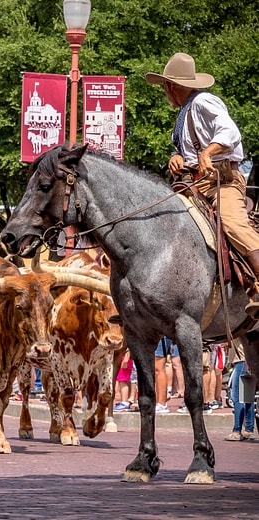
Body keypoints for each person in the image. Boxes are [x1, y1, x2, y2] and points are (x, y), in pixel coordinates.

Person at [146, 53, 259, 317]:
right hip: (194, 184)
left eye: (165, 87)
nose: (165, 93)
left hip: (222, 181)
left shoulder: (203, 101)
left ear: (171, 86)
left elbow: (229, 132)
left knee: (232, 222)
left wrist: (208, 153)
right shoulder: (184, 114)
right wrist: (175, 158)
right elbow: (187, 154)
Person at [225, 336, 256, 441]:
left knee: (237, 397)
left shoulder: (238, 326)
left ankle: (236, 431)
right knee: (247, 397)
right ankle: (249, 429)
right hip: (248, 361)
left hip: (241, 361)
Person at [154, 338, 173, 414]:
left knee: (158, 367)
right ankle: (158, 401)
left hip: (160, 335)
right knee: (155, 369)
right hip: (151, 331)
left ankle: (162, 404)